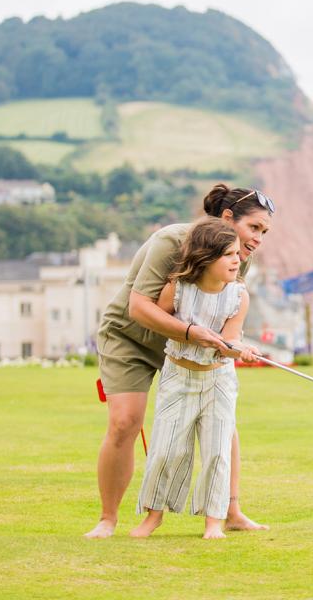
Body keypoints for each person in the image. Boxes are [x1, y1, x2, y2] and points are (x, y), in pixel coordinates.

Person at [84, 184, 275, 539]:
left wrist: (235, 346)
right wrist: (191, 333)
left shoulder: (239, 261)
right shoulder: (171, 242)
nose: (258, 239)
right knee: (125, 422)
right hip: (132, 338)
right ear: (228, 217)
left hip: (190, 352)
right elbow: (139, 308)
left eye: (264, 232)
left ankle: (229, 511)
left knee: (223, 423)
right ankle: (107, 520)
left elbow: (229, 316)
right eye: (254, 228)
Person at [130, 217, 258, 539]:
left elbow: (228, 343)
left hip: (218, 381)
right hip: (178, 376)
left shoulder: (238, 296)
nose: (236, 259)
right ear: (206, 258)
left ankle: (214, 521)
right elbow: (159, 321)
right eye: (228, 254)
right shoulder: (178, 288)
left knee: (217, 450)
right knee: (166, 448)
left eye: (236, 253)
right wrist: (191, 335)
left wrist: (239, 349)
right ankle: (153, 516)